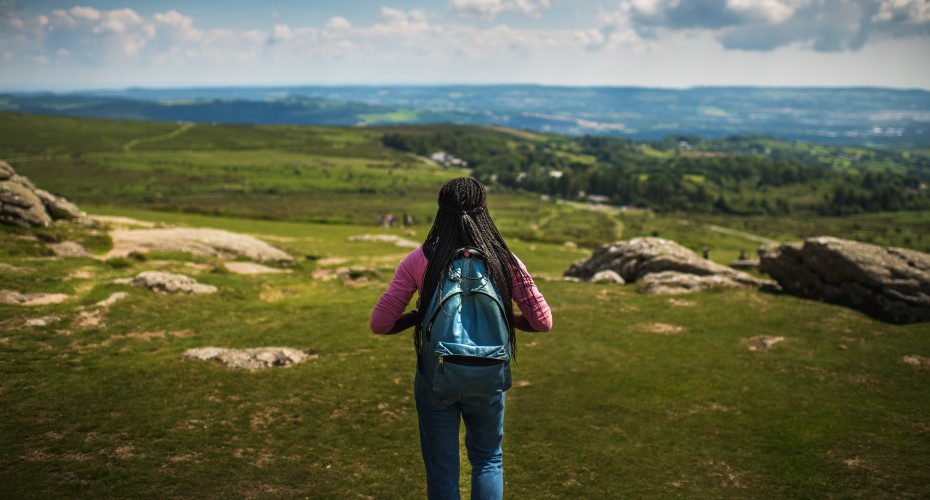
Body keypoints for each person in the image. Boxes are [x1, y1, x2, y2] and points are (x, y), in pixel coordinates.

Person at [370, 177, 552, 499]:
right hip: (488, 376)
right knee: (487, 459)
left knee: (442, 468)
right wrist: (504, 318)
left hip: (436, 375)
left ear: (441, 211)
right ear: (484, 210)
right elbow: (542, 322)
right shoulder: (504, 260)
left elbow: (381, 324)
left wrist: (418, 317)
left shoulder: (420, 258)